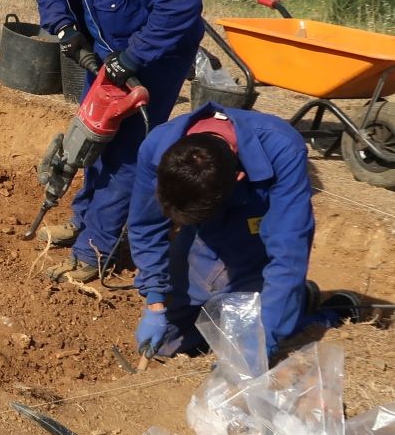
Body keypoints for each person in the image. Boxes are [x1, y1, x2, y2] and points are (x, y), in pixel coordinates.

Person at [12, 0, 205, 282]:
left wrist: (132, 59)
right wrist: (65, 29)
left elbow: (180, 3)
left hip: (155, 49)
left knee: (125, 153)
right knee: (91, 136)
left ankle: (96, 249)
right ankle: (85, 219)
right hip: (106, 47)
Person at [129, 103, 345, 358]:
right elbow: (145, 226)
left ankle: (314, 308)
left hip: (252, 242)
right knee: (165, 345)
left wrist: (264, 340)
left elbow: (288, 250)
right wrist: (155, 299)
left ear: (239, 177)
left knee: (239, 349)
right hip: (200, 241)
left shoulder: (282, 148)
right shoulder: (158, 144)